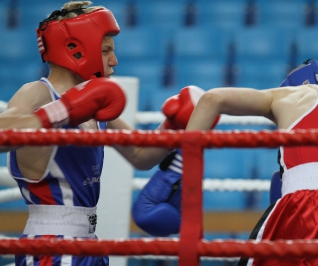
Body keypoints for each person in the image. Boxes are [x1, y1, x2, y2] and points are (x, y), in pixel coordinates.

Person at [0, 1, 205, 265]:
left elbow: (140, 154)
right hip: (51, 242)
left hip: (89, 241)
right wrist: (63, 110)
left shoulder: (96, 105)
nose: (114, 60)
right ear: (75, 49)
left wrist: (172, 127)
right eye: (106, 50)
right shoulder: (39, 94)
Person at [137, 59, 318, 265]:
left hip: (307, 206)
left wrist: (183, 165)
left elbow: (211, 99)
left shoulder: (289, 96)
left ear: (298, 83)